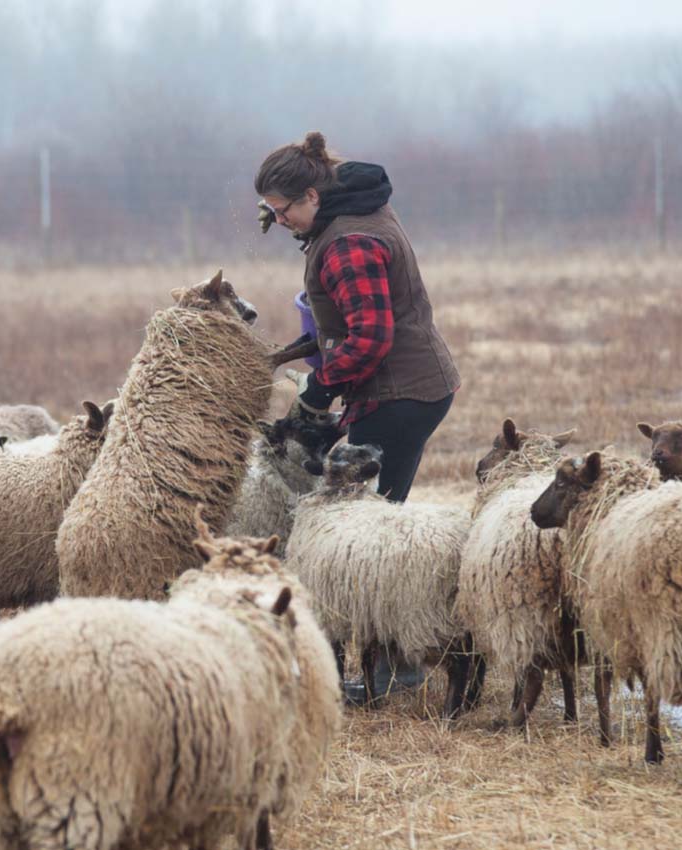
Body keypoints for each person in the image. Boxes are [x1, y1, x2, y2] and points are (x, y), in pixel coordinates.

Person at [255, 131, 462, 702]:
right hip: (414, 385)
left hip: (401, 392)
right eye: (269, 213)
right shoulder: (356, 209)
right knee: (380, 520)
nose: (280, 221)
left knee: (366, 537)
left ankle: (394, 673)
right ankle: (394, 667)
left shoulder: (347, 243)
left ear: (312, 198)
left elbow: (371, 336)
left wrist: (319, 390)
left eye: (283, 210)